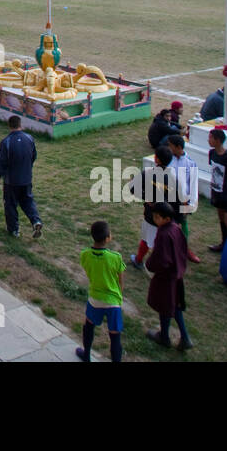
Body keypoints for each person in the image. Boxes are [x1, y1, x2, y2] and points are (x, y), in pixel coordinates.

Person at [145, 202, 192, 350]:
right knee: (175, 306)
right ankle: (185, 337)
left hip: (166, 278)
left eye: (157, 217)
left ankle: (164, 336)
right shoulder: (176, 229)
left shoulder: (164, 234)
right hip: (177, 274)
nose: (155, 220)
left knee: (164, 307)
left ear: (166, 218)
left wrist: (150, 263)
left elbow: (162, 259)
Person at [76, 220, 125, 362]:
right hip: (113, 302)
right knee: (115, 337)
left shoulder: (84, 255)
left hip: (95, 298)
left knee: (89, 327)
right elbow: (121, 281)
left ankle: (86, 355)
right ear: (108, 238)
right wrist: (119, 296)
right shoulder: (116, 257)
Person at [129, 145, 177, 272]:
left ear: (157, 159)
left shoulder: (147, 173)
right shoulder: (172, 178)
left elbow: (133, 189)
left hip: (151, 216)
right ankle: (143, 260)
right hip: (166, 217)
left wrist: (147, 197)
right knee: (159, 241)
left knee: (147, 240)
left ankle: (141, 261)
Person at [0, 115, 42, 238]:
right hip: (26, 178)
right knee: (27, 200)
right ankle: (36, 221)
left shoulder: (6, 142)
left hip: (11, 181)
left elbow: (2, 161)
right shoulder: (29, 138)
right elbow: (34, 155)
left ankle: (14, 229)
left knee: (10, 204)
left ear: (9, 126)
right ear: (21, 125)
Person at [167, 135, 202, 263]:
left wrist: (191, 203)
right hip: (168, 198)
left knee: (183, 223)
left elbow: (193, 185)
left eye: (171, 145)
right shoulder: (167, 159)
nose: (168, 147)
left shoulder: (190, 162)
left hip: (182, 199)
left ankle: (185, 249)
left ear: (178, 147)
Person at [206, 126, 227, 252]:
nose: (208, 140)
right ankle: (224, 243)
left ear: (218, 140)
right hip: (217, 192)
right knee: (221, 218)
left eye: (211, 138)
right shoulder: (212, 153)